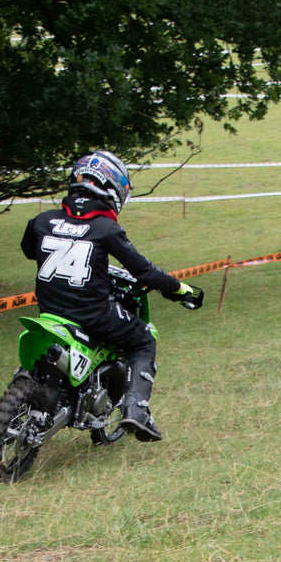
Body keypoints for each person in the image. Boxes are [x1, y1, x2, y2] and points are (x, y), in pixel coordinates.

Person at [20, 150, 203, 441]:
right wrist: (180, 289)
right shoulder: (105, 228)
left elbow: (30, 250)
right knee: (143, 337)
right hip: (93, 315)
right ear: (112, 188)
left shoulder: (42, 220)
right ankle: (136, 410)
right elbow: (144, 271)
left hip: (50, 312)